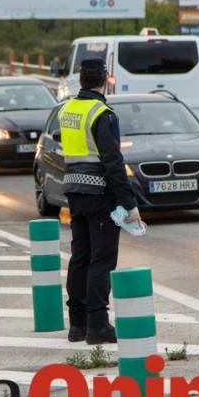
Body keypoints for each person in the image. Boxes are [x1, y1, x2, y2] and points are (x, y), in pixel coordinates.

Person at [59, 58, 140, 344]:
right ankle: (98, 325)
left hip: (73, 192)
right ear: (105, 79)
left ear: (80, 80)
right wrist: (129, 203)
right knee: (101, 260)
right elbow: (113, 163)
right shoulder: (103, 114)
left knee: (80, 258)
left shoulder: (68, 110)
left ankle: (77, 325)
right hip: (99, 194)